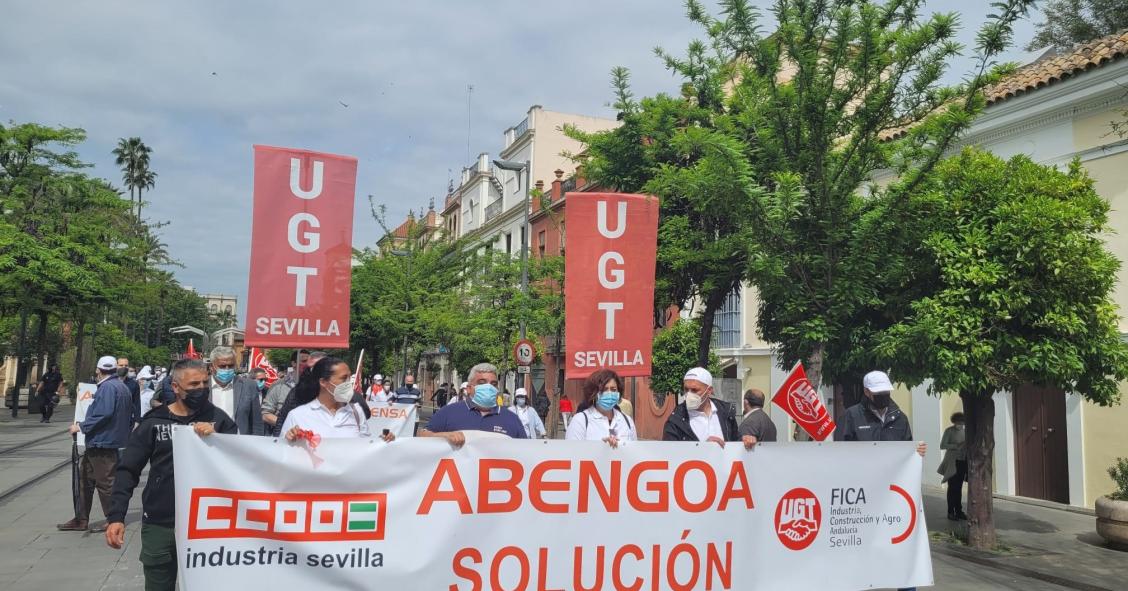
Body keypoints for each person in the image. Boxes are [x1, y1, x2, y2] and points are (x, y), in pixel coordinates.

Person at [105, 358, 238, 591]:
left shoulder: (220, 421)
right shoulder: (154, 422)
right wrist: (117, 516)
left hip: (206, 526)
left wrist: (219, 440)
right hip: (160, 522)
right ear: (176, 387)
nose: (201, 389)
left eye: (205, 383)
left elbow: (240, 465)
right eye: (194, 384)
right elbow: (128, 470)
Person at [58, 356, 133, 532]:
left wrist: (81, 426)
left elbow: (104, 414)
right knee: (85, 479)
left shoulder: (107, 387)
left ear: (98, 370)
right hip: (104, 442)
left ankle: (112, 519)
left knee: (106, 483)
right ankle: (81, 518)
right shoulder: (121, 386)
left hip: (103, 443)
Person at [280, 356, 394, 442]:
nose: (348, 383)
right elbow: (282, 456)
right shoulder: (297, 415)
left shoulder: (356, 412)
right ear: (323, 382)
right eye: (344, 378)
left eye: (349, 378)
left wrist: (382, 442)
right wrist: (289, 439)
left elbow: (365, 448)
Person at [421, 363, 527, 447]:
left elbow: (526, 450)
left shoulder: (511, 418)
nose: (488, 387)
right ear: (469, 388)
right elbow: (421, 436)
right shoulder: (448, 413)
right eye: (482, 382)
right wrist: (443, 436)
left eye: (493, 384)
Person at [841, 371, 928, 460]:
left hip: (892, 472)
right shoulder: (852, 416)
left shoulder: (900, 418)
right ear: (866, 392)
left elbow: (907, 449)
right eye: (878, 393)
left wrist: (916, 451)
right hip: (863, 472)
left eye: (886, 391)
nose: (883, 395)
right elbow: (840, 451)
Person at [663, 367, 753, 449]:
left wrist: (744, 440)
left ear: (709, 391)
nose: (689, 394)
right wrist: (703, 449)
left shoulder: (726, 413)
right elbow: (670, 454)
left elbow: (734, 441)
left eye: (694, 390)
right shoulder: (675, 419)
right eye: (686, 389)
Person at [566, 369, 636, 447]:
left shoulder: (627, 421)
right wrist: (600, 448)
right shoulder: (580, 421)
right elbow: (571, 453)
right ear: (594, 393)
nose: (609, 393)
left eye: (613, 389)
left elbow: (634, 453)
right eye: (604, 390)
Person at [209, 346, 264, 435]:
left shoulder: (248, 386)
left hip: (239, 444)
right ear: (211, 367)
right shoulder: (202, 386)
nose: (227, 369)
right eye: (222, 366)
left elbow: (256, 422)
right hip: (209, 444)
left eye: (230, 366)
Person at [262, 349, 310, 432]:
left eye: (309, 361)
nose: (307, 364)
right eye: (304, 361)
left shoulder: (317, 386)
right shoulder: (278, 386)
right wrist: (287, 425)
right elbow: (266, 414)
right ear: (293, 363)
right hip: (282, 436)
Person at [939, 412, 968, 521]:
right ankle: (950, 512)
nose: (960, 424)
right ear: (954, 421)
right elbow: (942, 445)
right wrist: (957, 446)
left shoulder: (965, 431)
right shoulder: (949, 431)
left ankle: (959, 511)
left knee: (959, 487)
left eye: (962, 422)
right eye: (958, 422)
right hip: (952, 462)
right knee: (952, 488)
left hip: (962, 461)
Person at [118, 357, 142, 425]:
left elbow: (137, 403)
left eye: (126, 365)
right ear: (116, 366)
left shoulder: (134, 384)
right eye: (121, 365)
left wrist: (137, 421)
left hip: (126, 421)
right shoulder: (109, 382)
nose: (124, 367)